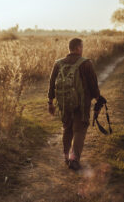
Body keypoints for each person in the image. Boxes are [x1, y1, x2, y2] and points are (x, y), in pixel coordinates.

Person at [47, 38, 100, 171]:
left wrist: (50, 102)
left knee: (67, 128)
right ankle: (74, 159)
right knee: (79, 130)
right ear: (77, 48)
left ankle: (66, 156)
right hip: (82, 104)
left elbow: (52, 84)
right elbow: (93, 84)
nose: (82, 50)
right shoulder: (86, 63)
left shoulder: (58, 63)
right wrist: (98, 98)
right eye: (81, 47)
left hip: (64, 103)